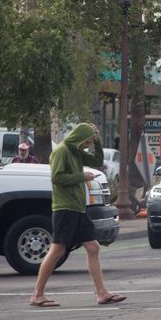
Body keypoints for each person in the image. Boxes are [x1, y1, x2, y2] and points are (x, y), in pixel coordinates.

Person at [29, 122, 126, 307]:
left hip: (78, 208)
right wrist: (82, 177)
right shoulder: (62, 151)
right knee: (58, 249)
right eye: (87, 141)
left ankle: (102, 293)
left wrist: (97, 141)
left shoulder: (75, 152)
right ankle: (37, 295)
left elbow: (97, 160)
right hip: (64, 208)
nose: (87, 145)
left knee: (93, 247)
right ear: (79, 138)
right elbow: (56, 178)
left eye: (90, 141)